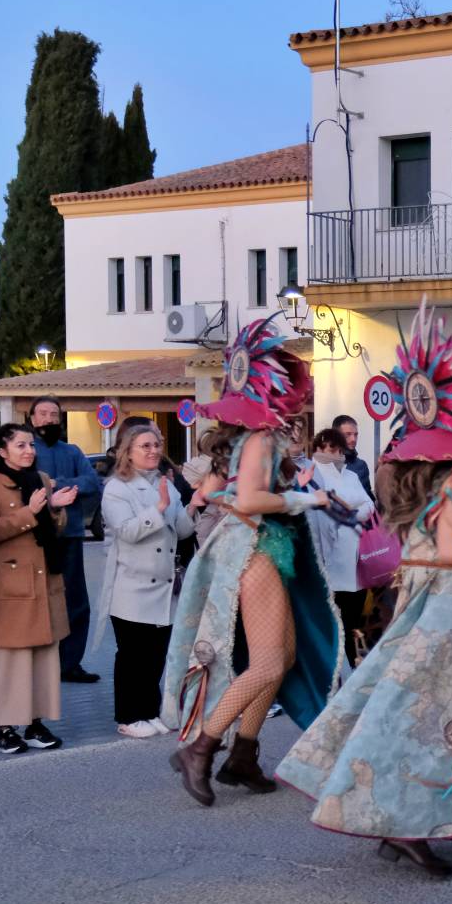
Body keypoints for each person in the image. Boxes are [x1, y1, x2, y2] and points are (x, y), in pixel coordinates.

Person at [278, 306, 452, 877]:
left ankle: (397, 816)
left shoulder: (446, 469)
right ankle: (404, 823)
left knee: (409, 711)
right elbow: (449, 548)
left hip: (450, 605)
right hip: (451, 612)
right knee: (426, 715)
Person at [163, 318, 341, 805]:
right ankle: (202, 747)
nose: (297, 400)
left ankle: (244, 755)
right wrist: (308, 501)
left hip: (262, 549)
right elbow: (248, 502)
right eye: (291, 392)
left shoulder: (252, 439)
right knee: (266, 663)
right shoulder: (260, 440)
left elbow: (223, 494)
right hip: (255, 550)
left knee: (280, 659)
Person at [0, 423, 81, 753]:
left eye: (31, 445)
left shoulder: (43, 479)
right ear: (2, 451)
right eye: (21, 445)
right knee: (11, 659)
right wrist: (30, 512)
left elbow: (56, 529)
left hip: (44, 578)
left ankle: (36, 723)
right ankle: (4, 729)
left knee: (43, 657)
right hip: (11, 586)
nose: (29, 451)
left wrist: (55, 507)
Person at [92, 421, 195, 737]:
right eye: (145, 446)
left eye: (156, 445)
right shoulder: (117, 488)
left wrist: (195, 507)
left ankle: (149, 711)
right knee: (132, 656)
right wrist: (159, 507)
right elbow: (126, 532)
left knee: (155, 654)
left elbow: (181, 531)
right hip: (133, 586)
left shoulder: (166, 483)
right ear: (129, 452)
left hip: (164, 586)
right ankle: (127, 716)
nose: (153, 451)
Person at [24, 397, 103, 682]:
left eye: (54, 414)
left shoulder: (72, 451)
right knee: (40, 602)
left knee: (76, 602)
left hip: (70, 538)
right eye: (42, 414)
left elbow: (92, 482)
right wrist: (52, 487)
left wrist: (60, 483)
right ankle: (40, 665)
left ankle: (70, 664)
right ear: (31, 418)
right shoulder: (26, 450)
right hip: (35, 539)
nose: (48, 419)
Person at [302, 428, 374, 665]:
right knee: (336, 615)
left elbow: (368, 504)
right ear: (319, 448)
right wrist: (346, 513)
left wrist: (354, 513)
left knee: (354, 612)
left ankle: (350, 661)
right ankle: (336, 665)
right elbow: (317, 509)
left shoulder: (351, 475)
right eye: (332, 449)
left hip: (356, 552)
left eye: (339, 449)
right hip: (331, 553)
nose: (337, 453)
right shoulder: (313, 473)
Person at [330, 414, 373, 489]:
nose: (353, 439)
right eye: (348, 434)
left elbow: (368, 497)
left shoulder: (361, 466)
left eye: (355, 435)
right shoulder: (324, 463)